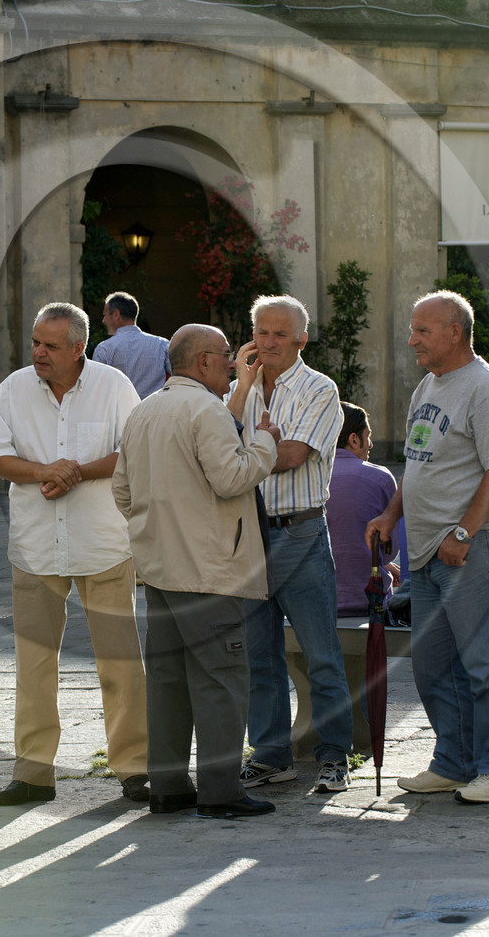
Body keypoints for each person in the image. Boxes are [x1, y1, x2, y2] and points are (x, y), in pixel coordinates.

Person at [0, 302, 150, 806]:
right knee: (33, 664)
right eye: (35, 342)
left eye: (50, 345)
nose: (38, 353)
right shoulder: (11, 389)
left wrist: (75, 470)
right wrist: (46, 472)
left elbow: (133, 451)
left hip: (103, 544)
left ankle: (134, 768)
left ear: (79, 348)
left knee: (120, 662)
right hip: (35, 547)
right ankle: (32, 774)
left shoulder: (114, 386)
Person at [113, 324, 281, 819]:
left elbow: (122, 494)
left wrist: (159, 528)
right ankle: (220, 791)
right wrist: (265, 444)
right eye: (227, 356)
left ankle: (167, 785)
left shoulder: (143, 410)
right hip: (207, 571)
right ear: (203, 361)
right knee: (222, 681)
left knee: (166, 682)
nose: (232, 364)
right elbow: (231, 478)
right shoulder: (205, 410)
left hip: (159, 569)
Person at [366, 290, 489, 805]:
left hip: (468, 548)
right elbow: (419, 463)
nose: (412, 340)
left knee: (483, 662)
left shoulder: (485, 386)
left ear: (454, 332)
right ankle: (454, 763)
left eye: (422, 330)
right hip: (426, 551)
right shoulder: (429, 385)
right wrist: (391, 514)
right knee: (433, 665)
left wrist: (464, 532)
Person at [227, 294, 352, 795]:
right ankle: (271, 755)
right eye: (261, 331)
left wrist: (243, 453)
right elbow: (213, 445)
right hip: (248, 535)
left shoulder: (320, 389)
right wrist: (244, 398)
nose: (269, 342)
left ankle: (335, 756)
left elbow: (294, 453)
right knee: (258, 656)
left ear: (302, 338)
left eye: (280, 334)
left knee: (321, 654)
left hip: (299, 530)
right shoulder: (241, 390)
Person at [326, 402, 399, 616]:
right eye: (368, 436)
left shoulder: (307, 477)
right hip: (369, 599)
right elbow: (389, 550)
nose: (371, 445)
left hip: (317, 603)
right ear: (354, 439)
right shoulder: (381, 478)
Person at [93, 291, 171, 398]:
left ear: (116, 314)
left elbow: (97, 389)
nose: (103, 320)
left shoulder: (105, 349)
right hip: (156, 411)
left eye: (105, 315)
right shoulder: (163, 345)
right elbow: (179, 378)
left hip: (120, 413)